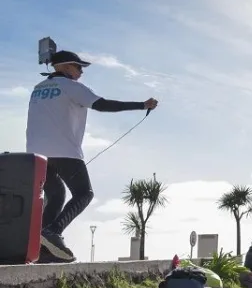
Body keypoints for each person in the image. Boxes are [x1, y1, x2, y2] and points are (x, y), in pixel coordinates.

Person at [26, 50, 158, 262]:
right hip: (64, 151)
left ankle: (43, 250)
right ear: (66, 66)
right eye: (79, 67)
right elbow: (103, 105)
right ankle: (53, 232)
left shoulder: (38, 88)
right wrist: (142, 105)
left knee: (57, 195)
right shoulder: (71, 87)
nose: (81, 72)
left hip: (36, 153)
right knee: (84, 194)